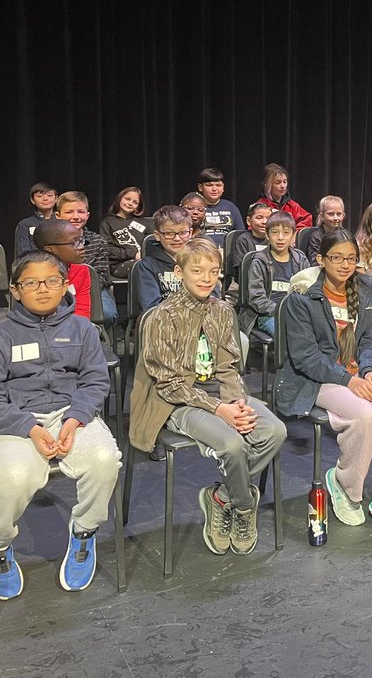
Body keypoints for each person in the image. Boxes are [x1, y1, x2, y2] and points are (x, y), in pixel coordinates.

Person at [0, 251, 122, 598]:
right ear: (15, 290)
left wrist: (76, 418)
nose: (43, 289)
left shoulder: (83, 328)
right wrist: (30, 429)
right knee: (16, 477)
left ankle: (84, 532)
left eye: (52, 281)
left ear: (65, 285)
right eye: (31, 283)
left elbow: (96, 382)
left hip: (70, 413)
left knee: (104, 460)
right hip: (15, 418)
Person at [129, 238, 286, 556]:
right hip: (176, 401)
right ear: (179, 272)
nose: (205, 278)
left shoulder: (223, 311)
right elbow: (169, 383)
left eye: (213, 271)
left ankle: (222, 498)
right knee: (232, 444)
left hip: (221, 395)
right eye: (197, 270)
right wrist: (220, 410)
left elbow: (229, 367)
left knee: (274, 431)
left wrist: (237, 402)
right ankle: (244, 507)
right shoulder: (162, 317)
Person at [277, 229, 372, 537]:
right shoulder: (304, 296)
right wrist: (348, 380)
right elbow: (305, 357)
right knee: (364, 416)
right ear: (321, 259)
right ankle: (344, 485)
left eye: (351, 259)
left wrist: (370, 372)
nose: (344, 265)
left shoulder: (365, 291)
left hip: (357, 373)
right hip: (320, 377)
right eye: (336, 258)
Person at [239, 211, 310, 336]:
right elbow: (256, 298)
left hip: (297, 313)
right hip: (268, 315)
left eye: (286, 233)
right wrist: (283, 310)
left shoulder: (300, 259)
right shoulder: (259, 262)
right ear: (267, 235)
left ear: (293, 236)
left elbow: (309, 290)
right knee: (290, 334)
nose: (280, 237)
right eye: (275, 232)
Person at [58, 191, 116, 319]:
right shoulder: (52, 241)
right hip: (58, 289)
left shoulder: (98, 241)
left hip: (93, 289)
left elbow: (101, 275)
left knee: (107, 313)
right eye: (69, 212)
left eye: (81, 212)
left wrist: (81, 288)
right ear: (57, 215)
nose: (76, 216)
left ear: (88, 215)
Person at [135, 205, 195, 311]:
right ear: (157, 235)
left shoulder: (199, 261)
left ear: (190, 233)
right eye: (169, 233)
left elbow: (212, 301)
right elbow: (151, 308)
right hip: (163, 322)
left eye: (182, 233)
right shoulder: (146, 266)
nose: (177, 238)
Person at [33, 220, 92, 320]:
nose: (81, 247)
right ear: (50, 250)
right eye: (74, 242)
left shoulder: (82, 271)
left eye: (80, 240)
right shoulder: (32, 274)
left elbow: (82, 311)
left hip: (73, 328)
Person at [100, 187, 149, 279]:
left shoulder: (143, 223)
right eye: (127, 199)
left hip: (144, 260)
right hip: (118, 265)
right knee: (143, 265)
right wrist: (133, 254)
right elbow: (107, 249)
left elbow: (150, 242)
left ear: (138, 207)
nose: (130, 203)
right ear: (120, 198)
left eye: (135, 202)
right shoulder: (107, 222)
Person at [227, 203, 274, 298]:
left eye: (268, 218)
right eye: (259, 218)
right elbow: (240, 271)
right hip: (248, 285)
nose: (264, 221)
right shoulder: (243, 240)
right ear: (249, 221)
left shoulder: (274, 240)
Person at [255, 163, 313, 228]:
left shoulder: (292, 205)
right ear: (267, 185)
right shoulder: (259, 206)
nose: (283, 186)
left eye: (285, 182)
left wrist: (292, 232)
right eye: (278, 182)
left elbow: (307, 219)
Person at [196, 167, 244, 244]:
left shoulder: (231, 207)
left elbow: (240, 234)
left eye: (218, 185)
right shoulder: (193, 208)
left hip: (228, 252)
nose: (214, 189)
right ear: (200, 187)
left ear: (223, 188)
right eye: (209, 185)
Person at [13, 182, 57, 258]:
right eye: (39, 196)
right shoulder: (25, 225)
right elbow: (22, 253)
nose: (45, 199)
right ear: (33, 200)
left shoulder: (62, 223)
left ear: (56, 199)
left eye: (49, 195)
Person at [302, 195, 346, 260]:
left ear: (343, 215)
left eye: (339, 214)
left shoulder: (345, 235)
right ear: (322, 216)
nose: (335, 218)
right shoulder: (316, 237)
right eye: (331, 214)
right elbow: (315, 262)